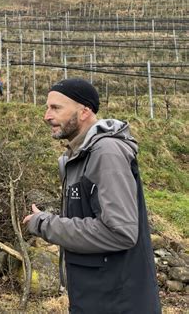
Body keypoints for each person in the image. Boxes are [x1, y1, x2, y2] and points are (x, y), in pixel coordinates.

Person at [23, 78, 161, 313]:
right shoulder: (78, 157)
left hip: (118, 302)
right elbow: (90, 214)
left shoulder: (106, 153)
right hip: (94, 296)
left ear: (84, 111)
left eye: (56, 108)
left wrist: (46, 224)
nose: (46, 116)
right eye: (47, 107)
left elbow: (120, 232)